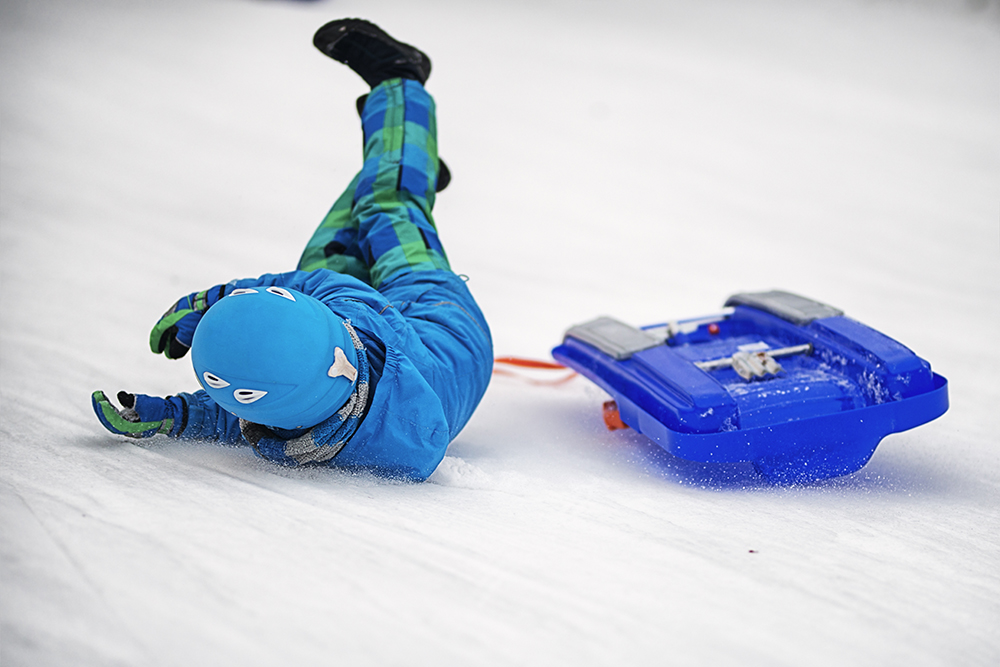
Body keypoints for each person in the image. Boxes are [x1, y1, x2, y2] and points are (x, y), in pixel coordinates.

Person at [92, 19, 493, 481]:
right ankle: (400, 79)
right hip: (439, 314)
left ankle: (408, 159)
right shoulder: (356, 318)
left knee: (334, 243)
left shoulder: (313, 409)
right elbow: (316, 292)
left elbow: (262, 404)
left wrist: (176, 414)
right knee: (385, 207)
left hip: (394, 337)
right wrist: (215, 298)